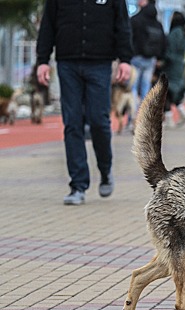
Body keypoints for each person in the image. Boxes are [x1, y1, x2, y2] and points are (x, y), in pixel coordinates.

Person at [36, 0, 133, 205]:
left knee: (98, 120)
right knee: (72, 123)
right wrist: (42, 60)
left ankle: (105, 169)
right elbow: (48, 24)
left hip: (100, 63)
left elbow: (122, 24)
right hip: (67, 63)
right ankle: (78, 185)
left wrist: (125, 59)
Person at [130, 0, 166, 108]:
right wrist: (160, 57)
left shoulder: (135, 20)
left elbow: (129, 38)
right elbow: (163, 42)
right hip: (151, 59)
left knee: (133, 88)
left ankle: (133, 115)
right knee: (146, 88)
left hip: (136, 58)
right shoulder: (157, 23)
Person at [162, 11, 185, 127]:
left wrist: (162, 60)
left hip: (171, 65)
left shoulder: (174, 33)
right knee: (175, 91)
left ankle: (169, 118)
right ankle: (182, 112)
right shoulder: (184, 34)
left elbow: (169, 51)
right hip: (179, 65)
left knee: (166, 92)